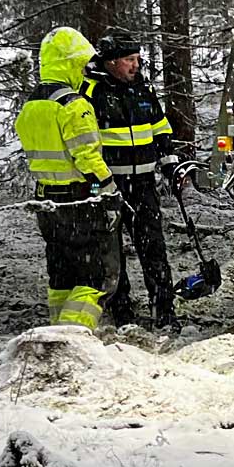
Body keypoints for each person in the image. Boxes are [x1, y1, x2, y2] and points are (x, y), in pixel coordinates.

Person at [14, 26, 121, 331]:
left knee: (62, 276)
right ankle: (75, 337)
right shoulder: (74, 105)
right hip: (80, 202)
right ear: (71, 63)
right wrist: (110, 190)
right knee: (96, 277)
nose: (86, 71)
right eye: (82, 64)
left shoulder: (31, 106)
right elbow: (87, 157)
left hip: (47, 201)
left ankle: (54, 334)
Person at [81, 36, 179, 330]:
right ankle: (121, 312)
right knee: (111, 249)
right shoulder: (91, 92)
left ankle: (164, 310)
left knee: (154, 247)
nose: (136, 65)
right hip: (110, 185)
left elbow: (160, 125)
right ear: (112, 62)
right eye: (130, 60)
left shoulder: (142, 88)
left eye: (138, 59)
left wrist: (170, 162)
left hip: (144, 182)